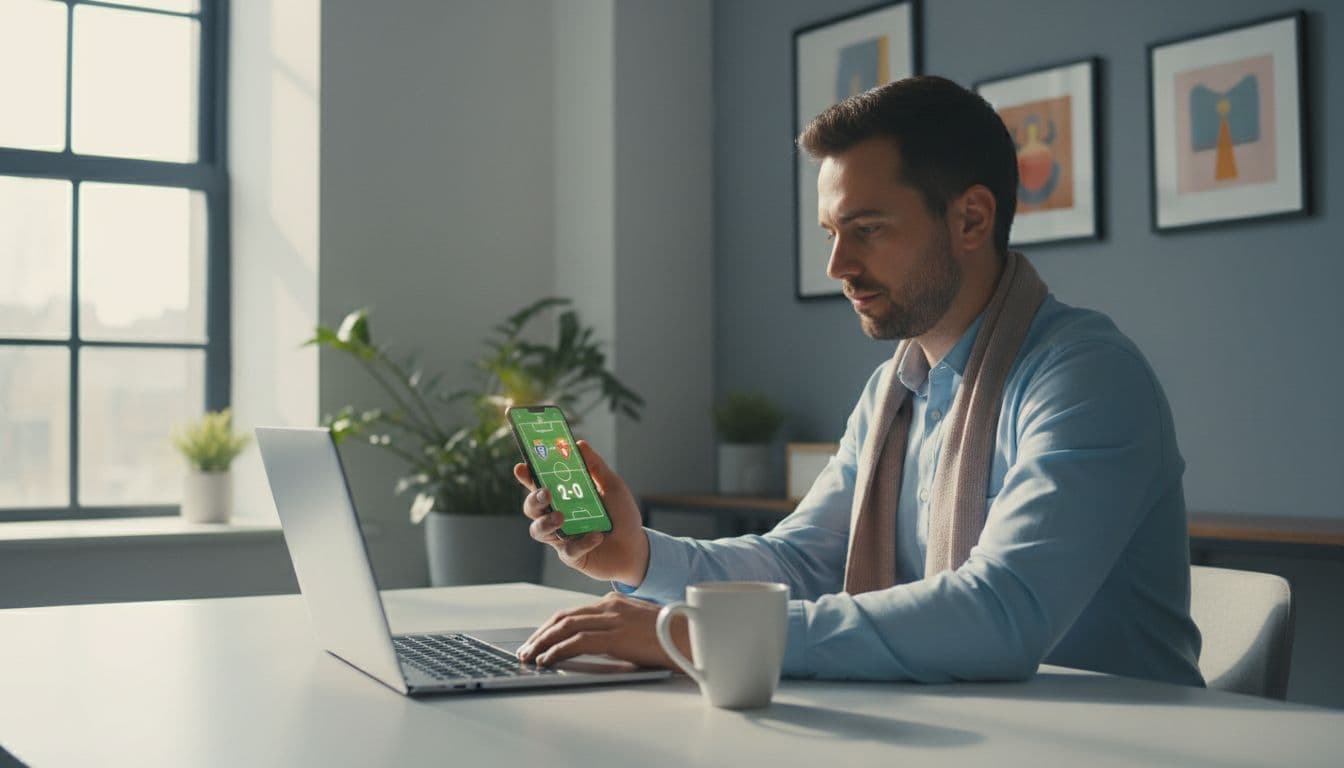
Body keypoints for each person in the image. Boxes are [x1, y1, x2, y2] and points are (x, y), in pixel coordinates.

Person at [512, 75, 1203, 686]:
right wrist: (638, 556)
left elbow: (1002, 613)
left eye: (866, 228)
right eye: (829, 232)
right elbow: (801, 562)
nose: (837, 266)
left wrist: (706, 637)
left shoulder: (1085, 377)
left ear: (971, 219)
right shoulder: (894, 392)